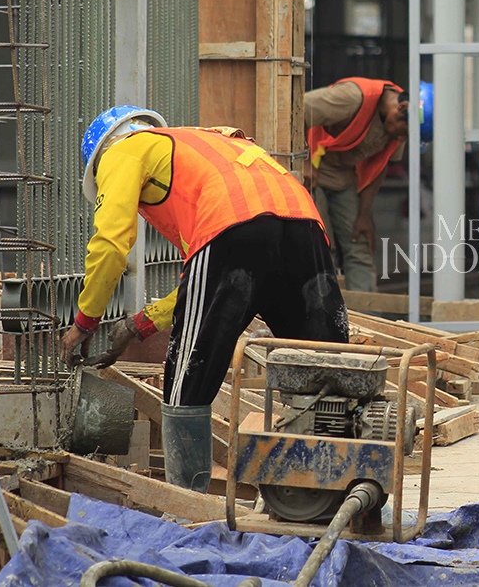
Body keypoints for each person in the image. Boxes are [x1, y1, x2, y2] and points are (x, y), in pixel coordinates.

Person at [60, 106, 348, 492]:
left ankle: (187, 502)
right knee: (324, 367)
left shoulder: (122, 150)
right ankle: (328, 491)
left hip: (231, 228)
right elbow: (205, 285)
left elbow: (112, 245)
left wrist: (85, 321)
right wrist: (138, 325)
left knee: (187, 380)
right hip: (304, 225)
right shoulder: (205, 143)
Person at [304, 78, 411, 292]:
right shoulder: (353, 98)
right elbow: (298, 108)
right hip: (311, 174)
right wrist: (304, 161)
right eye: (402, 132)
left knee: (359, 245)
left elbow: (378, 167)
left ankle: (366, 315)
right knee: (322, 245)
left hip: (344, 177)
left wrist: (364, 215)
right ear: (402, 107)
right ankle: (323, 316)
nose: (400, 138)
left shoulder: (404, 126)